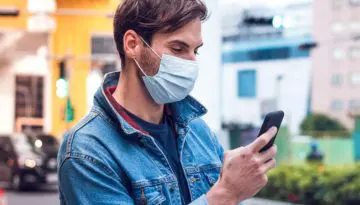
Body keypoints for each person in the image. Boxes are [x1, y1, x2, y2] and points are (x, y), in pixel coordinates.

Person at [57, 0, 278, 204]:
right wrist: (226, 193)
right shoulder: (86, 151)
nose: (192, 62)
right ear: (133, 44)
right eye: (178, 49)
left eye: (196, 50)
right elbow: (223, 195)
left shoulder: (198, 131)